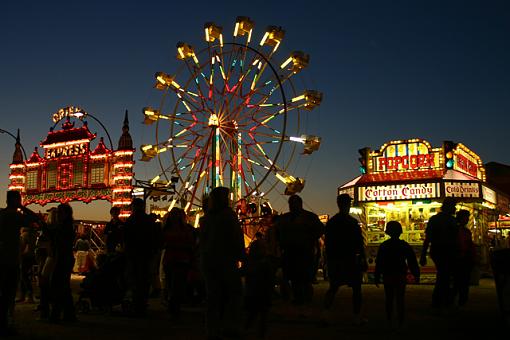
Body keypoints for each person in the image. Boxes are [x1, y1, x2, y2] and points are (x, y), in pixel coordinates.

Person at [199, 187, 245, 340]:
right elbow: (237, 238)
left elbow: (202, 242)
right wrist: (243, 257)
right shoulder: (229, 216)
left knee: (213, 297)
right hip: (226, 261)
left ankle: (212, 329)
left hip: (209, 261)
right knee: (232, 295)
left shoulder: (206, 219)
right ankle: (230, 326)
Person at [323, 194, 368, 325]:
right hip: (350, 259)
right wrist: (363, 258)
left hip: (336, 259)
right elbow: (359, 243)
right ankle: (356, 316)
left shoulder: (332, 222)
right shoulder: (352, 223)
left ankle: (325, 314)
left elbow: (328, 244)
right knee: (356, 289)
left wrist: (329, 260)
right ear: (347, 205)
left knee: (333, 287)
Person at [0, 191, 39, 336]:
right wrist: (22, 207)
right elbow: (35, 218)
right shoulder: (15, 216)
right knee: (8, 293)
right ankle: (5, 324)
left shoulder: (1, 214)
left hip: (2, 257)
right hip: (11, 259)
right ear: (15, 200)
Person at [275, 195, 323, 306]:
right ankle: (300, 298)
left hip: (303, 252)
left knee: (303, 278)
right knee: (296, 278)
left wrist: (309, 238)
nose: (292, 206)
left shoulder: (288, 218)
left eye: (294, 204)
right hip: (293, 252)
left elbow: (320, 230)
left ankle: (303, 299)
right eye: (291, 204)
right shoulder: (305, 217)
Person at [374, 221, 420, 329]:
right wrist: (416, 274)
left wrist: (377, 276)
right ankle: (400, 321)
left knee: (389, 297)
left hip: (388, 274)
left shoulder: (384, 246)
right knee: (400, 298)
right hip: (400, 274)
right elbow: (412, 261)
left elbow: (379, 262)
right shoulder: (404, 245)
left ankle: (389, 319)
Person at [420, 197, 458, 311]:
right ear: (449, 207)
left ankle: (440, 300)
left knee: (443, 276)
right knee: (445, 277)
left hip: (437, 251)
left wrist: (423, 254)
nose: (455, 208)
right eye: (453, 206)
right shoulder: (451, 221)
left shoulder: (434, 219)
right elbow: (455, 238)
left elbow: (428, 238)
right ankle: (442, 301)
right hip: (446, 251)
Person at [123, 198, 159, 316]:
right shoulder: (149, 220)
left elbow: (126, 236)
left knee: (134, 279)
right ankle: (142, 303)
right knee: (144, 279)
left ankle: (136, 303)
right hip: (146, 253)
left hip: (134, 253)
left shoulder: (131, 220)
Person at [161, 207, 194, 317]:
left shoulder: (167, 229)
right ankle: (174, 306)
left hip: (176, 259)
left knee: (175, 285)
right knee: (173, 284)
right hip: (176, 259)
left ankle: (173, 306)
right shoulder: (185, 229)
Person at [49, 203, 77, 323]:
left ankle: (58, 313)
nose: (58, 215)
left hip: (63, 258)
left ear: (66, 214)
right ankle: (67, 314)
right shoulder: (65, 225)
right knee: (63, 287)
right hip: (64, 257)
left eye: (60, 213)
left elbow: (59, 240)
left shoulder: (64, 227)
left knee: (59, 286)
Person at [244, 233, 274, 338]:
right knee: (262, 315)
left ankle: (248, 329)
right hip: (263, 293)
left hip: (252, 292)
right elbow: (270, 279)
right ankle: (260, 333)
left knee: (253, 314)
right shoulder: (265, 263)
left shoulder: (249, 262)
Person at [452, 209, 476, 307]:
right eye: (465, 217)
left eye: (467, 217)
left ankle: (461, 301)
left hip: (465, 259)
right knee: (459, 282)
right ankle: (456, 301)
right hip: (459, 259)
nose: (467, 220)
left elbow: (469, 244)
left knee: (463, 282)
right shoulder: (455, 230)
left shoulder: (466, 231)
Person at [17, 225, 37, 304]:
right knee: (24, 275)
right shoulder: (33, 234)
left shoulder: (24, 235)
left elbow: (22, 246)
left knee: (23, 275)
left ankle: (28, 294)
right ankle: (24, 295)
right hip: (31, 257)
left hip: (25, 256)